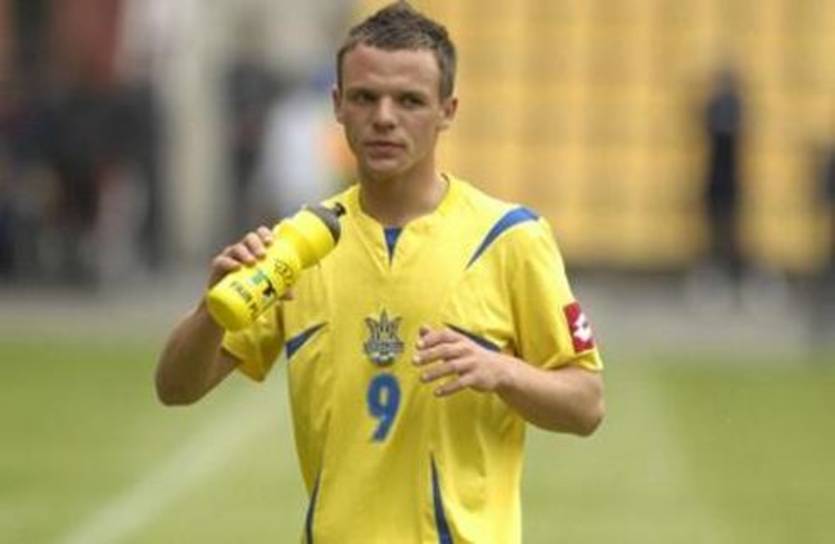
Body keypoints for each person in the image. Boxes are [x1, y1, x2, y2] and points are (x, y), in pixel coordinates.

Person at [155, 3, 604, 542]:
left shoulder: (509, 238)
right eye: (365, 97)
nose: (384, 117)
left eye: (409, 100)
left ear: (447, 111)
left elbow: (586, 404)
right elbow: (175, 388)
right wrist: (211, 310)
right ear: (338, 105)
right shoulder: (300, 244)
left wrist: (503, 371)